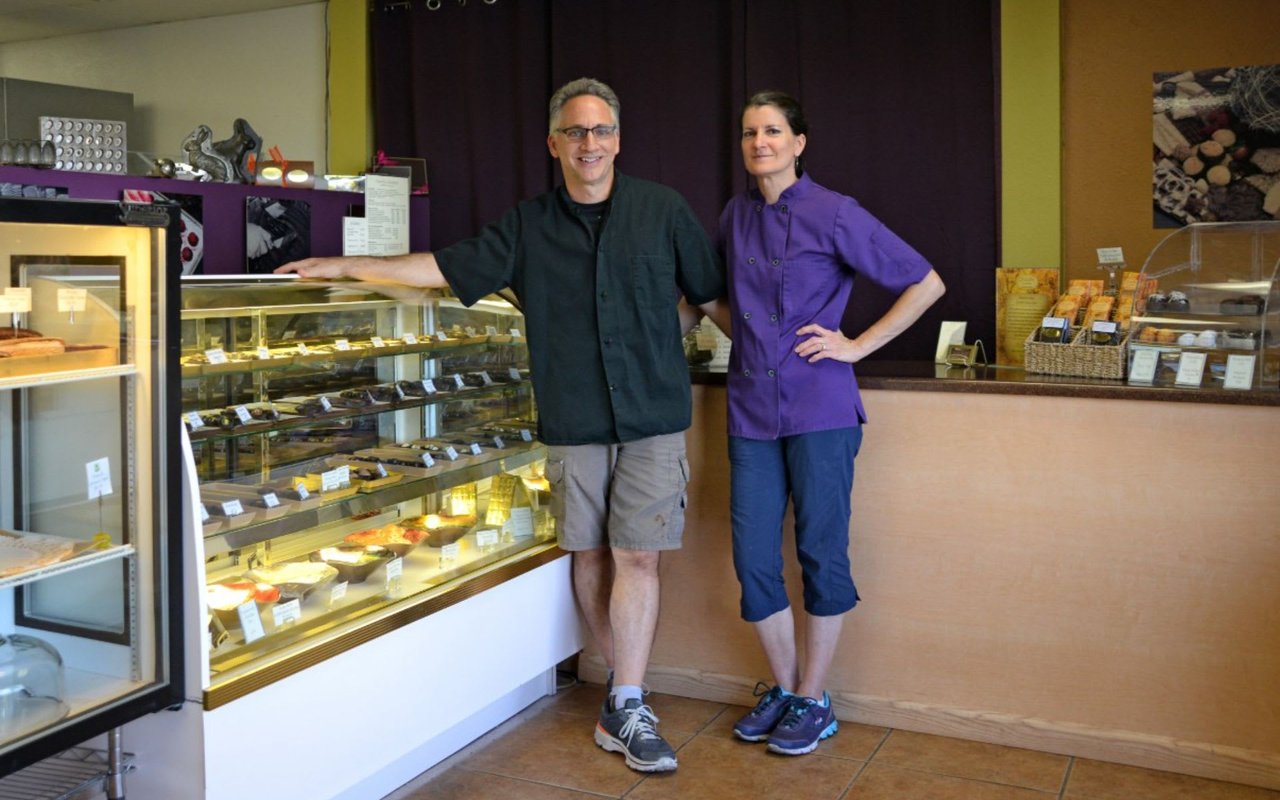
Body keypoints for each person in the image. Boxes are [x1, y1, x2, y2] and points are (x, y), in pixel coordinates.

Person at [276, 77, 723, 773]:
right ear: (553, 144)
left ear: (618, 140)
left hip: (653, 413)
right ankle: (621, 695)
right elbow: (441, 269)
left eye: (601, 130)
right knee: (590, 552)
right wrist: (343, 263)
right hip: (574, 414)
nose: (589, 143)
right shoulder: (527, 225)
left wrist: (770, 363)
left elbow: (711, 296)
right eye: (575, 131)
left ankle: (628, 699)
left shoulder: (662, 210)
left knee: (639, 555)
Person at [711, 90, 945, 756]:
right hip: (750, 409)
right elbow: (723, 301)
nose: (760, 143)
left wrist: (857, 345)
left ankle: (816, 697)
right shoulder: (734, 215)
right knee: (754, 559)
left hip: (821, 408)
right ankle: (788, 692)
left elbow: (926, 282)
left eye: (773, 131)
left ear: (799, 142)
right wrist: (750, 340)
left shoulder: (836, 211)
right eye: (750, 133)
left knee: (820, 549)